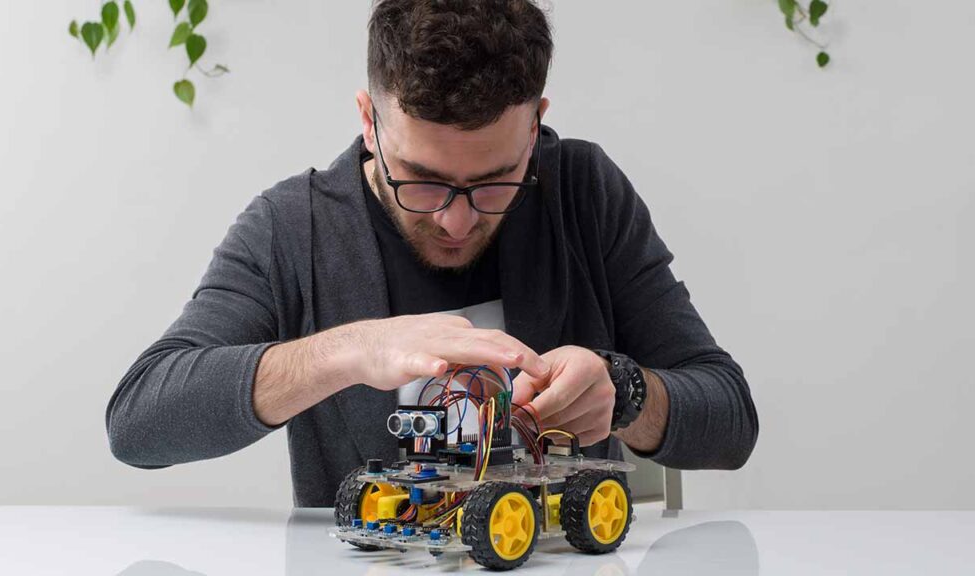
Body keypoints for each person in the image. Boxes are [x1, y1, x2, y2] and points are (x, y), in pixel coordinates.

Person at [107, 0, 758, 507]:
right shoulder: (292, 227)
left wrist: (625, 392)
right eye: (421, 179)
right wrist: (348, 349)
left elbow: (730, 418)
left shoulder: (583, 191)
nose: (455, 219)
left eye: (495, 181)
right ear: (369, 122)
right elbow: (139, 421)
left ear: (535, 125)